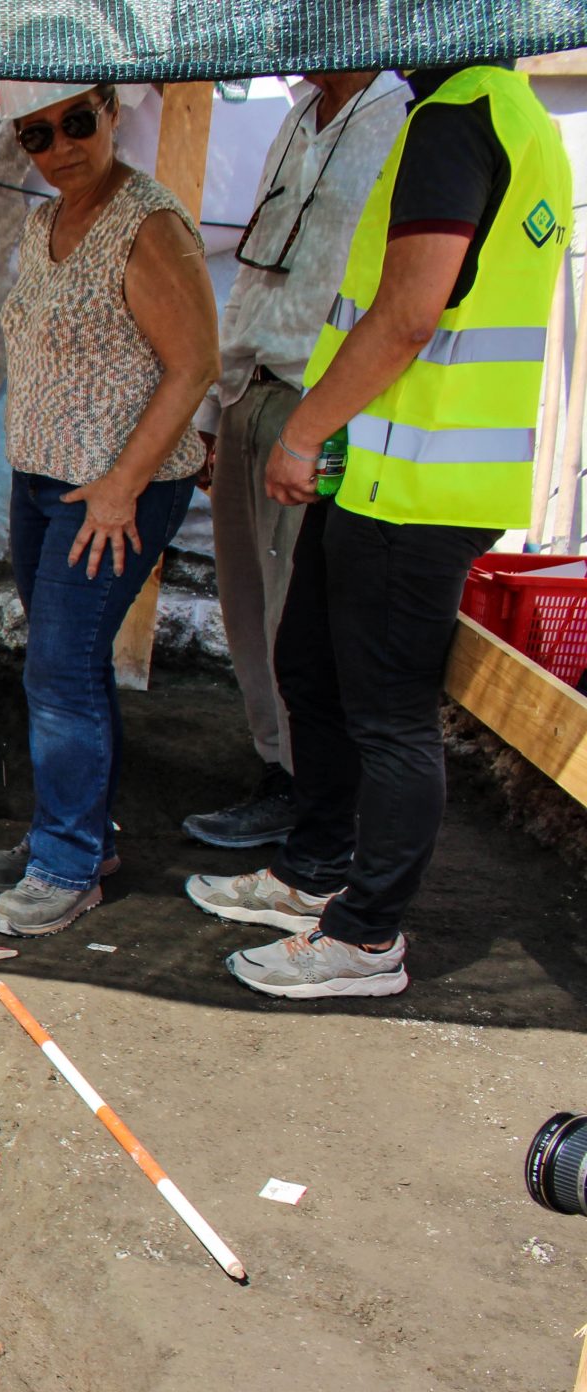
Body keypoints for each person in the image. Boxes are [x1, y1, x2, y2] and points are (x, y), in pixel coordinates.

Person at [193, 61, 571, 999]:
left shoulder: (461, 118)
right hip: (385, 470)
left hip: (420, 483)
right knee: (310, 667)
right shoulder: (491, 112)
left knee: (391, 716)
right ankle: (313, 869)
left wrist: (308, 429)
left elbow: (408, 314)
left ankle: (367, 937)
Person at [0, 82, 219, 937]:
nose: (62, 146)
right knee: (65, 663)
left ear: (113, 111)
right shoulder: (44, 223)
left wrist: (121, 485)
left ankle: (68, 864)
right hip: (45, 479)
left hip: (118, 489)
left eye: (78, 122)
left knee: (59, 667)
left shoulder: (148, 223)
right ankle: (75, 837)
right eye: (37, 134)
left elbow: (196, 364)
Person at [183, 72, 411, 850]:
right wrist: (215, 409)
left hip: (316, 398)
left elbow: (397, 300)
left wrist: (319, 427)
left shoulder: (402, 118)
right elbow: (253, 270)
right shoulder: (300, 115)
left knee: (297, 616)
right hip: (251, 383)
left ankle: (315, 798)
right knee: (247, 602)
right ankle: (280, 774)